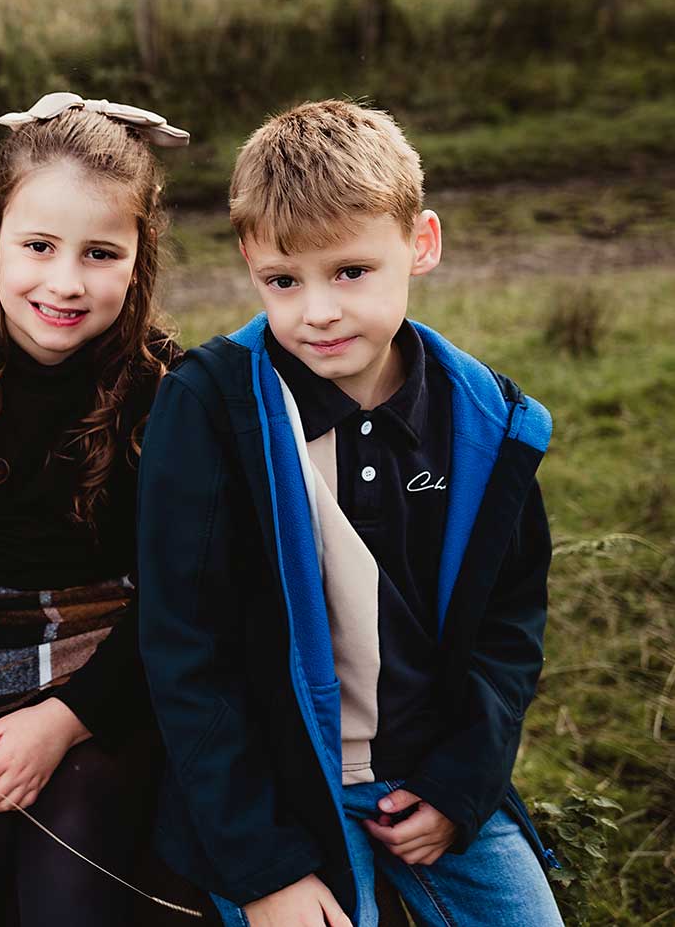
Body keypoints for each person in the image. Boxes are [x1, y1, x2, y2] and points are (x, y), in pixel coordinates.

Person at [136, 100, 564, 927]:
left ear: (421, 243)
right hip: (275, 788)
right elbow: (185, 652)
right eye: (283, 281)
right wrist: (265, 872)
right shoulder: (207, 408)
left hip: (426, 773)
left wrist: (459, 786)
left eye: (351, 272)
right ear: (247, 261)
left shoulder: (485, 420)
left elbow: (509, 625)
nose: (317, 312)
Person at [0, 94, 199, 926]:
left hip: (110, 669)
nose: (64, 281)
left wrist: (64, 722)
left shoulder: (167, 389)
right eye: (38, 246)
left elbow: (177, 595)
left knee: (70, 891)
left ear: (138, 255)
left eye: (98, 253)